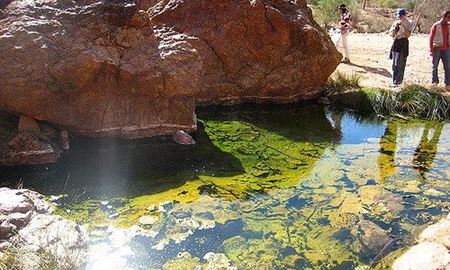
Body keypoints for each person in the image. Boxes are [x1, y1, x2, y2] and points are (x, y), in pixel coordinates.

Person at [389, 8, 414, 87]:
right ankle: (394, 81)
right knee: (395, 63)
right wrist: (395, 30)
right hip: (396, 43)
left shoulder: (409, 23)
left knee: (401, 64)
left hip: (403, 43)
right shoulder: (395, 23)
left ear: (404, 16)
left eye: (401, 16)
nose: (399, 18)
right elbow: (392, 35)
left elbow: (408, 35)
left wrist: (403, 26)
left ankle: (398, 82)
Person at [429, 11, 450, 88]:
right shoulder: (436, 25)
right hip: (437, 48)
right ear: (443, 16)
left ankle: (448, 83)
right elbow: (431, 38)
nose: (448, 19)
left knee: (447, 66)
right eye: (447, 17)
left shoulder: (449, 26)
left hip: (447, 49)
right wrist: (431, 50)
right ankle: (435, 82)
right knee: (435, 66)